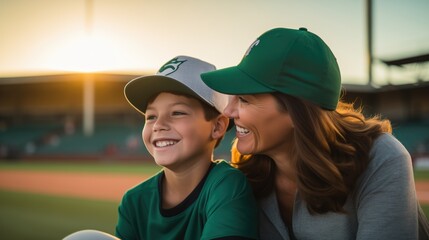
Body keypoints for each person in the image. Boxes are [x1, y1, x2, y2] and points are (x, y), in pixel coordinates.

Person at [201, 27, 429, 239]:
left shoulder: (380, 159)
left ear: (295, 111)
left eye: (243, 99)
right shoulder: (245, 173)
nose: (229, 112)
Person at [116, 55, 258, 239]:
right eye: (151, 116)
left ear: (217, 127)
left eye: (177, 112)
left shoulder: (226, 186)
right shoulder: (133, 201)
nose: (159, 124)